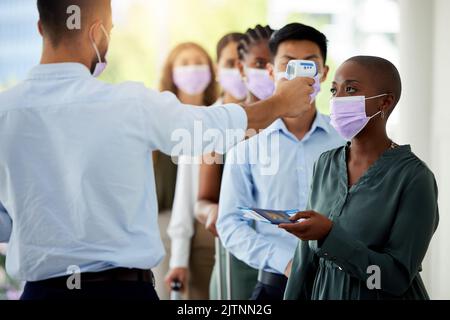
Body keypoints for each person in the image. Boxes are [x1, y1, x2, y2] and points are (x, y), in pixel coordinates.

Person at [0, 0, 315, 300]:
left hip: (41, 292)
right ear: (97, 32)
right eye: (110, 29)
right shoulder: (129, 104)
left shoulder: (5, 113)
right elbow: (207, 130)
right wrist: (281, 102)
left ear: (41, 27)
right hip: (122, 292)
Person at [281, 56, 439, 300]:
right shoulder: (325, 163)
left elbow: (394, 279)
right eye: (335, 90)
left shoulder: (414, 178)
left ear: (385, 102)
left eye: (351, 89)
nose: (337, 99)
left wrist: (329, 236)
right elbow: (305, 259)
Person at [216, 23, 345, 300]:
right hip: (274, 284)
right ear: (272, 72)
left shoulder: (345, 142)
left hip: (339, 283)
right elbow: (229, 222)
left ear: (323, 73)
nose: (298, 75)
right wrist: (284, 260)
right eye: (288, 65)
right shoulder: (247, 143)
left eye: (309, 65)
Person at [196, 25, 276, 300]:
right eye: (260, 63)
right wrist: (214, 212)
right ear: (242, 69)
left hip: (292, 263)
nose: (268, 71)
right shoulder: (222, 125)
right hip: (236, 260)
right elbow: (202, 201)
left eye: (275, 63)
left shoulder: (300, 127)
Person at [153, 42, 218, 300]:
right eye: (185, 63)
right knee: (167, 292)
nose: (193, 69)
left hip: (207, 224)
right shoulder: (159, 118)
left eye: (199, 62)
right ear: (172, 72)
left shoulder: (218, 116)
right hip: (165, 222)